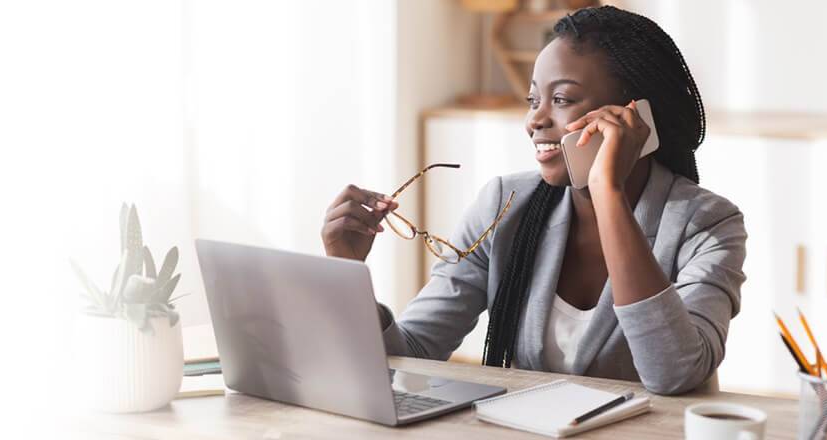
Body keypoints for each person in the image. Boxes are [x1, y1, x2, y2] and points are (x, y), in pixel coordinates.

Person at [319, 6, 745, 395]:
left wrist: (607, 193)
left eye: (561, 99)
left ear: (636, 118)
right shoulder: (505, 206)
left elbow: (674, 373)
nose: (534, 121)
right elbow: (410, 357)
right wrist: (346, 273)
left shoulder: (707, 223)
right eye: (533, 100)